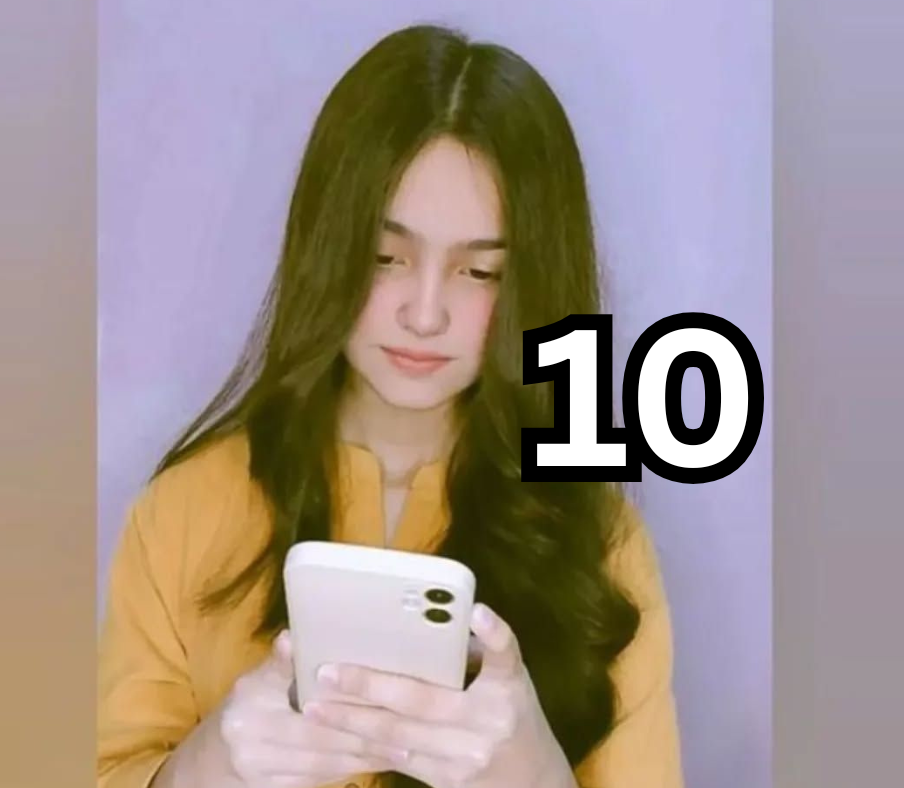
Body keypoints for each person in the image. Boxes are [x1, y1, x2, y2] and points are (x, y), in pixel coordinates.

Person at [97, 23, 683, 788]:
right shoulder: (182, 512)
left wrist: (536, 774)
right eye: (386, 257)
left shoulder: (601, 545)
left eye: (480, 272)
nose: (425, 313)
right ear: (327, 248)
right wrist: (202, 769)